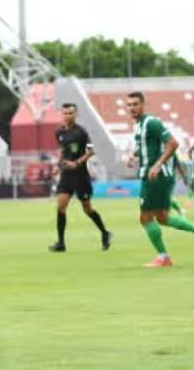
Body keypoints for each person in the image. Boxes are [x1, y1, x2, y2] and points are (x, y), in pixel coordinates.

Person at [125, 92, 194, 267]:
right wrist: (133, 155)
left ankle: (163, 258)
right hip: (157, 176)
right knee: (162, 217)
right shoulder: (139, 126)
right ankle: (164, 257)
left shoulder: (152, 123)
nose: (132, 108)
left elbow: (173, 143)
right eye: (129, 105)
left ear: (143, 104)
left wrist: (156, 165)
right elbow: (145, 148)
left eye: (135, 104)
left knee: (145, 218)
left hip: (156, 176)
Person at [49, 103, 111, 252]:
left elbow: (91, 151)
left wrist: (77, 163)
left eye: (70, 113)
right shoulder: (59, 132)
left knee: (87, 208)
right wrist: (58, 166)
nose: (67, 116)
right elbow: (63, 151)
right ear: (62, 114)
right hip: (66, 176)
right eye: (65, 113)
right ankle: (61, 243)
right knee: (61, 207)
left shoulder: (81, 132)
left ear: (75, 115)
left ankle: (104, 232)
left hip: (80, 176)